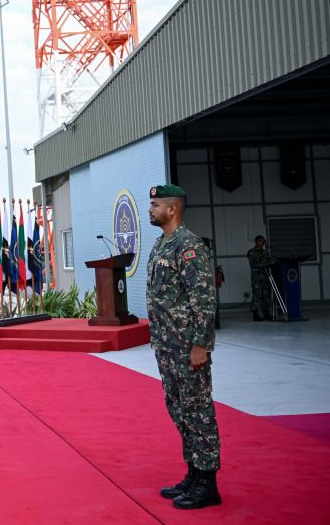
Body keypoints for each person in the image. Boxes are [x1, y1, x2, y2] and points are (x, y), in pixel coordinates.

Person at [146, 184, 222, 509]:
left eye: (155, 204)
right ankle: (193, 472)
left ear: (172, 209)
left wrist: (200, 345)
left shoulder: (188, 246)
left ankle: (207, 483)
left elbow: (203, 299)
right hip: (167, 346)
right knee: (179, 410)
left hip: (188, 347)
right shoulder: (161, 245)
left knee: (198, 411)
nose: (150, 209)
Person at [247, 235, 274, 322]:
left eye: (263, 241)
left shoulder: (265, 252)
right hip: (257, 278)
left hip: (266, 277)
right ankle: (255, 314)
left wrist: (272, 262)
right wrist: (265, 264)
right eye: (259, 241)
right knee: (257, 296)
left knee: (266, 296)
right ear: (256, 242)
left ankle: (266, 313)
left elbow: (269, 261)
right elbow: (253, 264)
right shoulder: (251, 252)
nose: (261, 243)